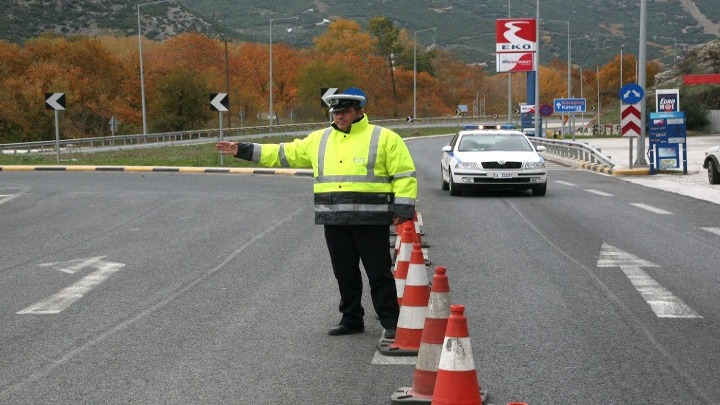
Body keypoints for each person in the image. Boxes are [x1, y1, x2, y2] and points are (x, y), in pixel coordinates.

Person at [215, 88, 417, 339]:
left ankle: (391, 321)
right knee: (345, 273)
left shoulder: (385, 138)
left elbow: (404, 174)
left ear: (359, 111)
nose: (339, 116)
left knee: (379, 273)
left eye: (344, 111)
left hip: (371, 218)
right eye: (335, 112)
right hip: (334, 219)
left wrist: (403, 208)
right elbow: (282, 154)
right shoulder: (319, 139)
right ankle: (351, 318)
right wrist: (242, 150)